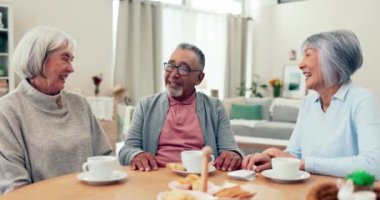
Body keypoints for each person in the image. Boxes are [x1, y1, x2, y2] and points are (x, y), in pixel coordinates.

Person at [242, 30, 380, 179]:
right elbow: (294, 154)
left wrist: (304, 164)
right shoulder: (309, 102)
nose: (301, 65)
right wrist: (275, 159)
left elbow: (374, 165)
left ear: (332, 60)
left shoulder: (362, 100)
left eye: (308, 54)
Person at [0, 26, 112, 195]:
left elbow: (103, 156)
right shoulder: (7, 110)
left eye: (71, 60)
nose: (71, 69)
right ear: (38, 59)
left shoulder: (79, 103)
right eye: (65, 59)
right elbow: (14, 189)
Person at [118, 43, 243, 172]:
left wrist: (232, 156)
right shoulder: (146, 105)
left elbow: (231, 149)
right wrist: (136, 155)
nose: (173, 74)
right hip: (156, 177)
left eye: (183, 69)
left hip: (200, 179)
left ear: (199, 78)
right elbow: (126, 151)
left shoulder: (215, 107)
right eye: (170, 66)